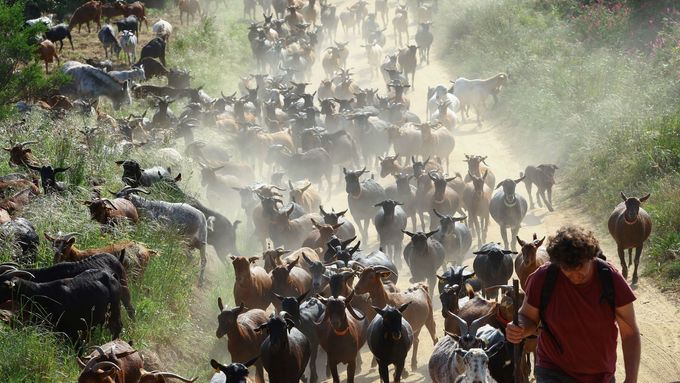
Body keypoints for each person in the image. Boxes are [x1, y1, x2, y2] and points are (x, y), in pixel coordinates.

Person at [506, 225, 641, 383]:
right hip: (553, 371)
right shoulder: (543, 278)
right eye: (567, 269)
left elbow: (630, 333)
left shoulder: (610, 279)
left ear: (592, 257)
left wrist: (631, 379)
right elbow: (528, 317)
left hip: (600, 375)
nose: (575, 275)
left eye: (580, 268)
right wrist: (519, 328)